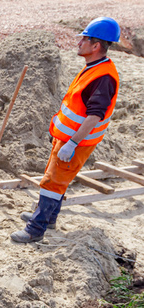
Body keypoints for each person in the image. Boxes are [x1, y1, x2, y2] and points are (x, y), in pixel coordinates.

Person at [11, 17, 120, 243]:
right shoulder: (94, 68)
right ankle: (49, 217)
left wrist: (73, 143)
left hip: (77, 140)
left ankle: (35, 229)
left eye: (84, 39)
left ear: (96, 45)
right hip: (67, 137)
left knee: (53, 182)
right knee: (56, 179)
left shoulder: (103, 77)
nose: (79, 43)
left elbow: (94, 115)